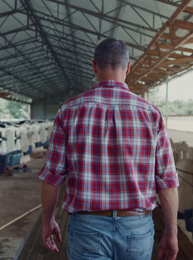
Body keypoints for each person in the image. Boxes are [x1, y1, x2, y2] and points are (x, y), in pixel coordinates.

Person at [38, 38, 179, 260]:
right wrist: (172, 233)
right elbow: (167, 182)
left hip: (87, 227)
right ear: (128, 68)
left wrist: (48, 221)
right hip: (136, 228)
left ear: (94, 66)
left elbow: (52, 178)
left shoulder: (68, 111)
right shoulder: (152, 114)